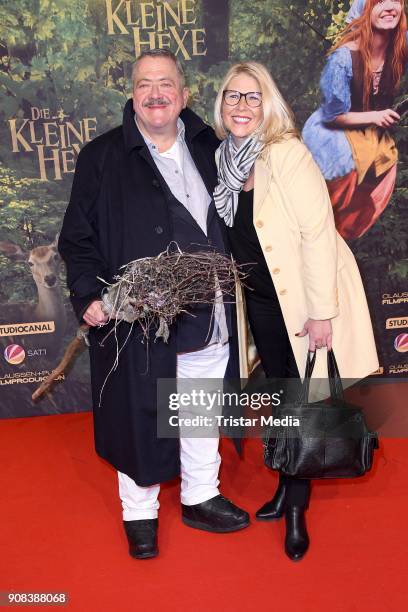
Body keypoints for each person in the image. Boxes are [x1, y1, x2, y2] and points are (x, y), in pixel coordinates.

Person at [58, 49, 249, 561]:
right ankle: (139, 511)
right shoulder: (103, 157)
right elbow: (77, 239)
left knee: (202, 405)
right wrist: (90, 294)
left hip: (210, 308)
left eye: (166, 83)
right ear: (133, 94)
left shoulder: (213, 147)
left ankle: (201, 494)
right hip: (140, 318)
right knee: (138, 410)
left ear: (184, 95)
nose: (156, 93)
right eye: (145, 83)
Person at [213, 61, 379, 560]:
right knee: (286, 400)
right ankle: (288, 485)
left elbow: (317, 234)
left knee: (302, 405)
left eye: (252, 96)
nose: (242, 106)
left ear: (269, 105)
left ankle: (295, 511)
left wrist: (322, 312)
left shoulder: (285, 154)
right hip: (263, 303)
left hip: (303, 302)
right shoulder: (226, 162)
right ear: (221, 106)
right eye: (233, 97)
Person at [302, 0, 407, 240]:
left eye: (397, 1)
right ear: (365, 11)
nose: (390, 7)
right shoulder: (343, 58)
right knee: (340, 185)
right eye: (380, 2)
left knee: (381, 166)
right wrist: (376, 116)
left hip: (369, 134)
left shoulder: (400, 45)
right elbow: (333, 116)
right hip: (333, 134)